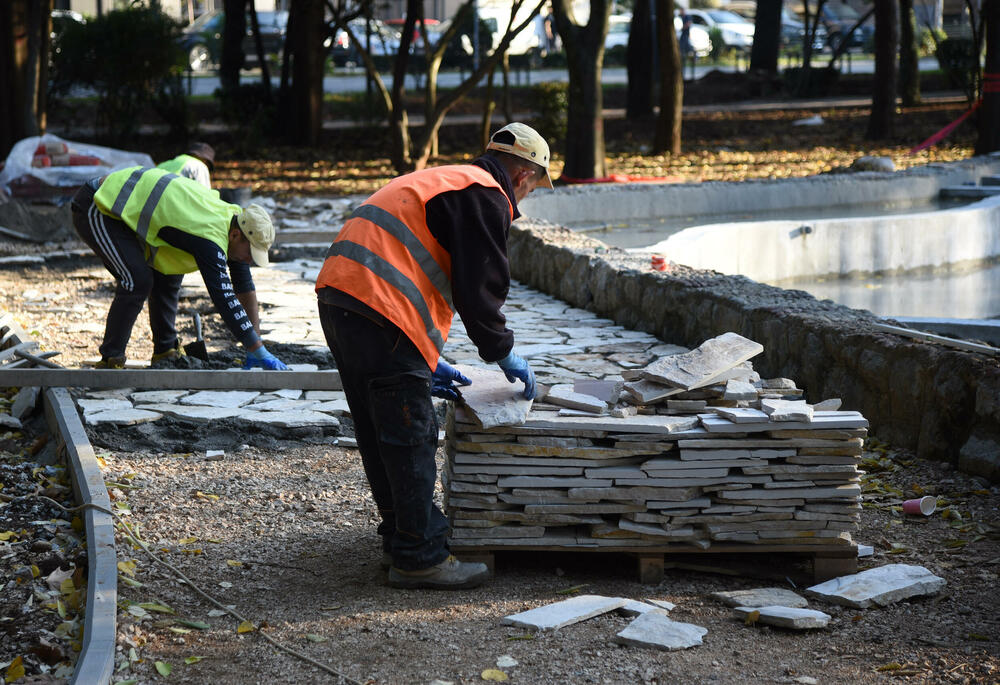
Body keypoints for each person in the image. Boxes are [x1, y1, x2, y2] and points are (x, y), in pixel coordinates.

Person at [315, 122, 552, 590]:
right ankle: (419, 557)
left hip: (342, 298)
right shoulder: (486, 195)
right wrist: (504, 354)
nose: (523, 202)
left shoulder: (449, 180)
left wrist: (425, 358)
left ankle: (401, 536)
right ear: (525, 176)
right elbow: (480, 289)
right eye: (531, 189)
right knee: (411, 433)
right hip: (380, 309)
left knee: (378, 426)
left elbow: (412, 258)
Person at [70, 165, 288, 371]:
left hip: (128, 212)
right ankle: (111, 358)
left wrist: (256, 343)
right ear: (235, 235)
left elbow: (244, 285)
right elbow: (224, 297)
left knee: (169, 273)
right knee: (137, 280)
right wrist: (255, 348)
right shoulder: (210, 239)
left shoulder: (235, 220)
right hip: (100, 203)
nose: (249, 260)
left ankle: (165, 351)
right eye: (250, 253)